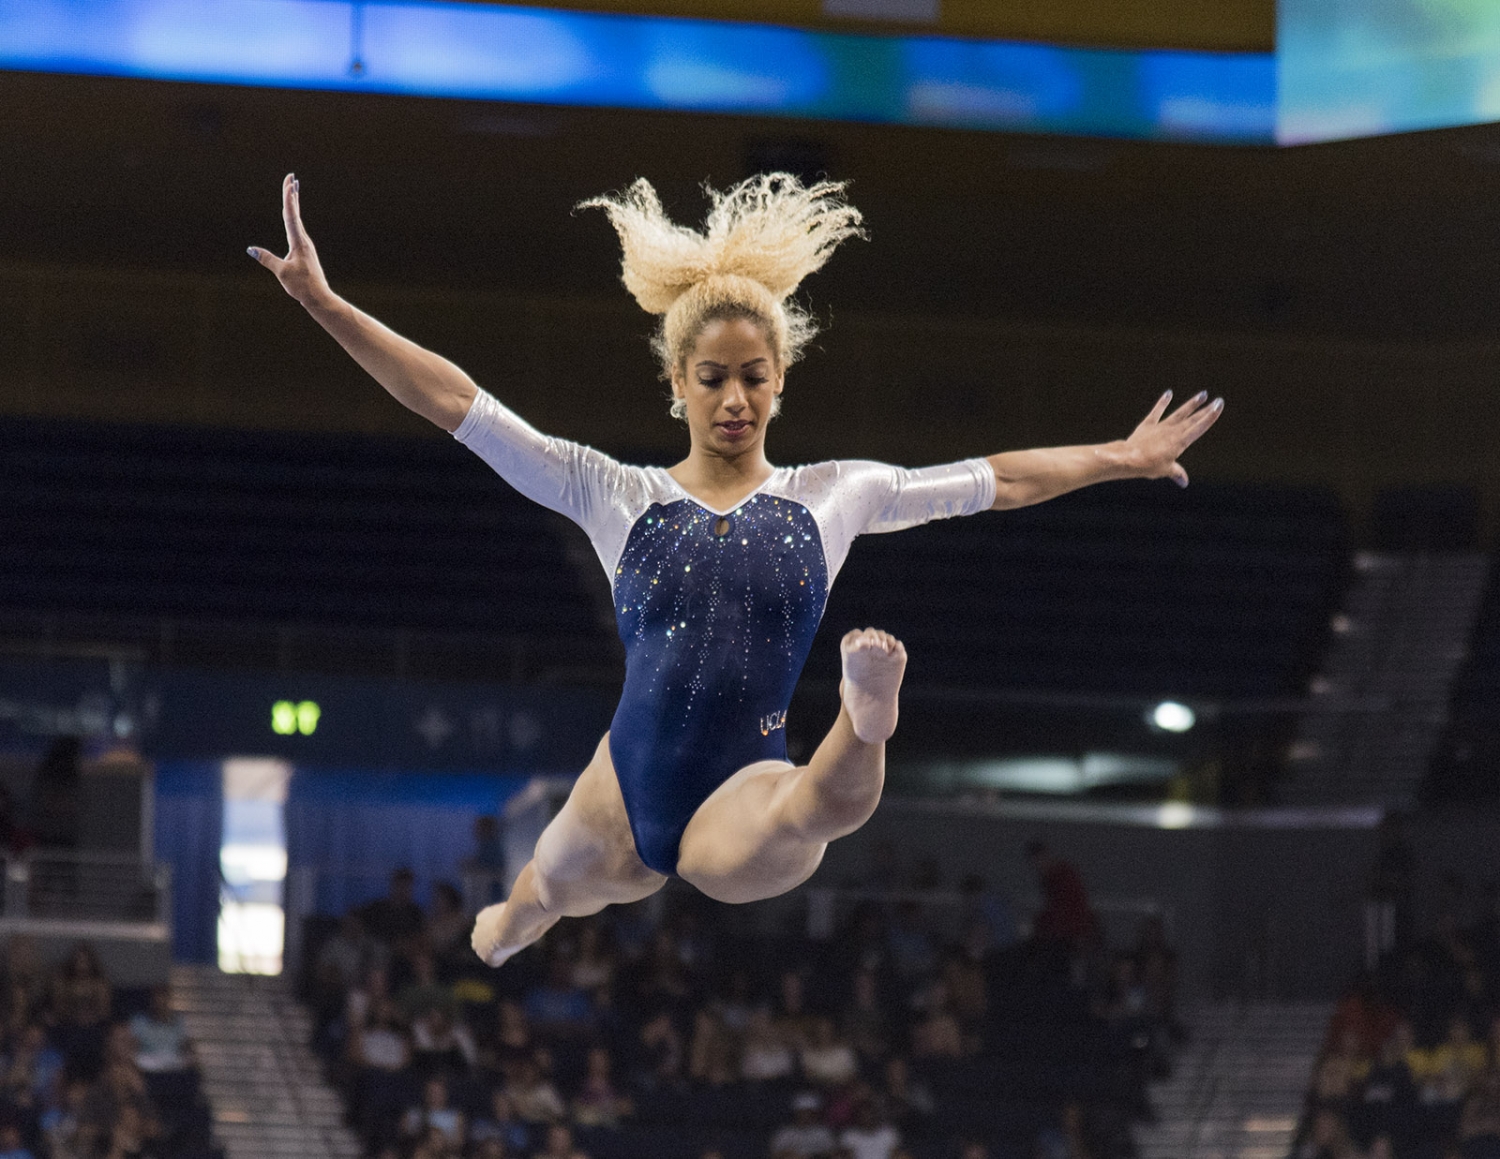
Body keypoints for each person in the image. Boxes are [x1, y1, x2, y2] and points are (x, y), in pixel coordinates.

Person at [250, 172, 1222, 965]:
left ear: (781, 380)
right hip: (624, 780)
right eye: (712, 378)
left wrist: (1119, 456)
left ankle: (866, 715)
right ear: (677, 383)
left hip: (742, 786)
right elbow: (455, 403)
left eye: (754, 377)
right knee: (546, 885)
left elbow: (996, 481)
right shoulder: (614, 493)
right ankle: (512, 921)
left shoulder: (837, 494)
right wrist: (326, 306)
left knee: (818, 810)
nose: (734, 398)